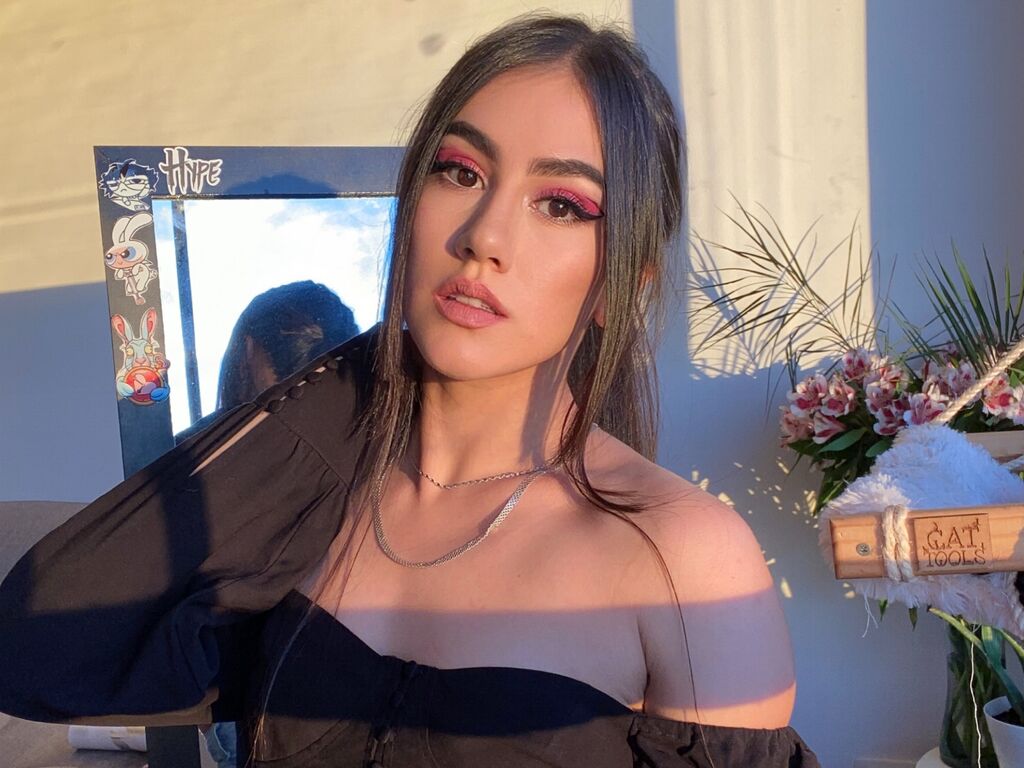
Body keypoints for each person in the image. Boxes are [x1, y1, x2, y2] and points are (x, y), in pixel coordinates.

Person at [0, 14, 819, 767]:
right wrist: (361, 375)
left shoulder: (683, 558)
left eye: (561, 205)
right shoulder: (311, 500)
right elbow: (40, 644)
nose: (483, 236)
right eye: (459, 171)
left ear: (623, 284)